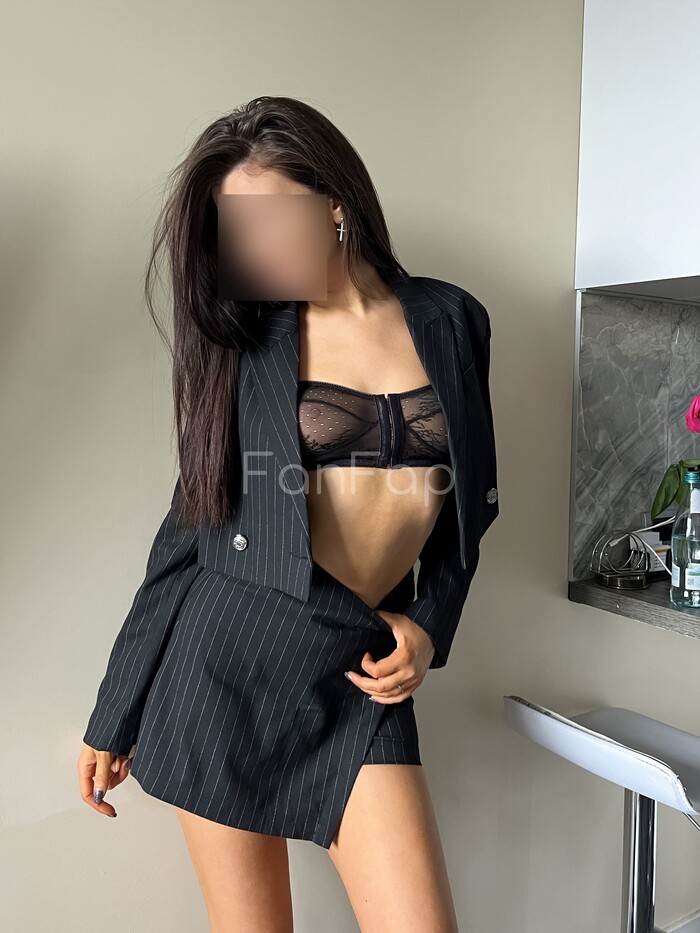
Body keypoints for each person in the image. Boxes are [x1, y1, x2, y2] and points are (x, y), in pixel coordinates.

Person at [77, 95, 498, 933]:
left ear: (333, 201)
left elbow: (472, 508)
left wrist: (428, 626)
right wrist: (114, 709)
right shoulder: (247, 344)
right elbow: (187, 529)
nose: (255, 248)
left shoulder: (452, 318)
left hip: (359, 673)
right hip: (227, 667)